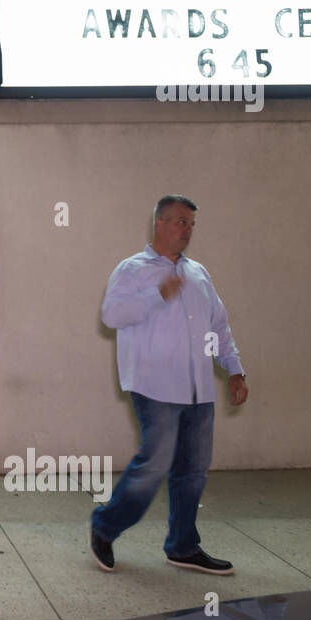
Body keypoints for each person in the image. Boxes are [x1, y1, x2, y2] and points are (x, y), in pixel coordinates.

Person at [91, 195, 248, 576]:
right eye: (180, 221)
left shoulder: (198, 273)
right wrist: (157, 295)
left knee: (193, 470)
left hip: (199, 391)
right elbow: (111, 315)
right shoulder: (132, 269)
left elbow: (218, 326)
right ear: (158, 223)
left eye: (191, 223)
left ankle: (182, 546)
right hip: (154, 385)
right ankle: (105, 526)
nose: (187, 230)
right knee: (154, 464)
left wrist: (235, 369)